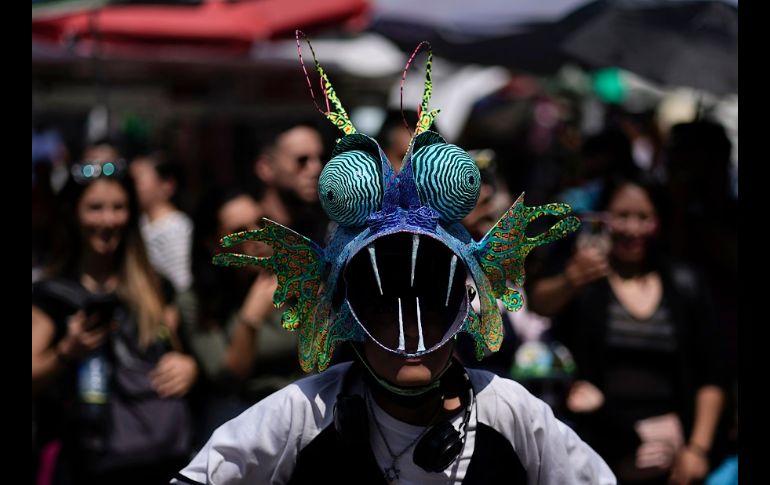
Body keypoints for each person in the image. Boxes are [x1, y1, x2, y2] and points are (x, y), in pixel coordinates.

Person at [172, 37, 614, 484]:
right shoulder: (302, 415)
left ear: (465, 303)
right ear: (347, 311)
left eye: (433, 298)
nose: (411, 334)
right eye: (384, 302)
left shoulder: (511, 413)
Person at [527, 175, 729, 484]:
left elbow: (712, 372)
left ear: (658, 222)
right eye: (622, 216)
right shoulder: (587, 278)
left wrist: (698, 450)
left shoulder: (684, 282)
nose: (632, 229)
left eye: (643, 217)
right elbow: (539, 304)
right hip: (599, 443)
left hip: (673, 450)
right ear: (602, 217)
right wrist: (571, 279)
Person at [32, 154, 199, 485]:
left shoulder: (155, 285)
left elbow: (180, 351)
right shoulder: (52, 293)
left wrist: (188, 367)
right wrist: (67, 351)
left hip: (159, 458)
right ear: (74, 215)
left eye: (118, 208)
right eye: (95, 208)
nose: (108, 221)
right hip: (88, 464)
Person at [129, 151, 194, 294]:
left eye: (137, 181)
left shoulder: (175, 227)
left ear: (167, 185)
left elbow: (181, 282)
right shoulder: (141, 222)